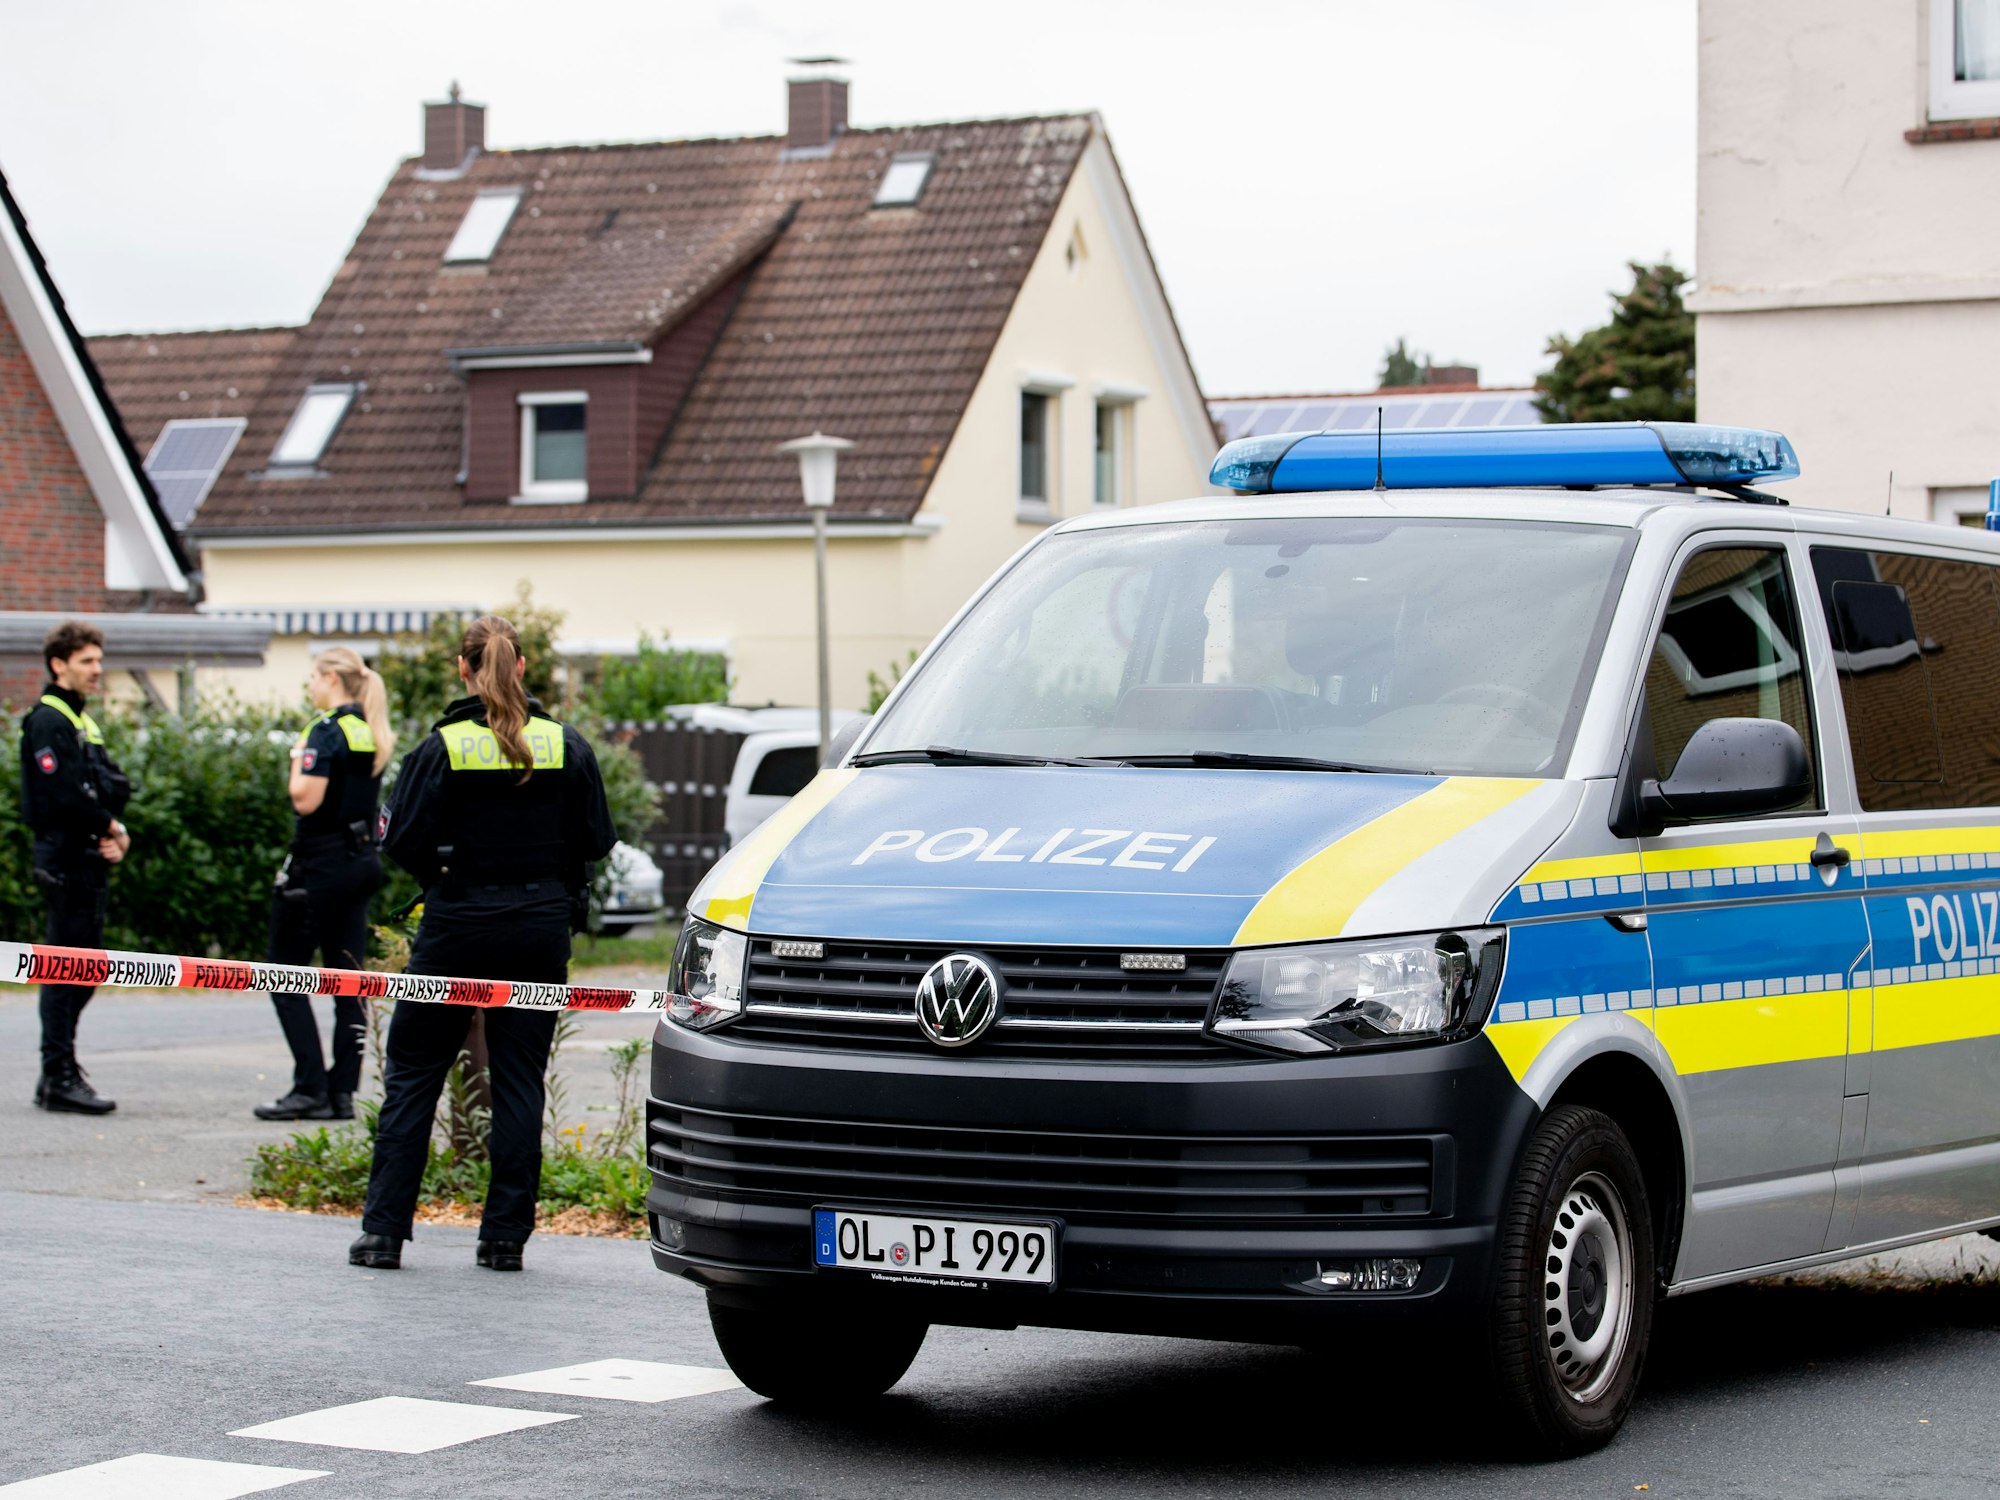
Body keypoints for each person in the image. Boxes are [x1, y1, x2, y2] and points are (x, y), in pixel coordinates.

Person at [349, 615, 616, 1273]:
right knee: (520, 1079)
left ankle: (383, 1234)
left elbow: (401, 838)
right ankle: (503, 1240)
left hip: (458, 925)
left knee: (414, 1076)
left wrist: (450, 874)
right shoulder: (566, 743)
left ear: (463, 670)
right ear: (520, 667)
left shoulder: (442, 748)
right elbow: (598, 840)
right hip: (538, 927)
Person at [253, 648, 395, 1122]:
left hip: (318, 868)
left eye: (313, 676)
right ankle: (341, 1093)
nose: (310, 686)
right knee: (347, 981)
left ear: (332, 678)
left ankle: (309, 1086)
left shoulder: (324, 730)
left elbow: (305, 798)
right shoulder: (368, 731)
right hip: (358, 863)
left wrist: (297, 760)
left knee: (284, 974)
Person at [20, 621, 131, 1115]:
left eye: (98, 661)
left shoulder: (81, 721)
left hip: (87, 855)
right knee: (67, 968)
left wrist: (107, 826)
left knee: (84, 969)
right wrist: (109, 823)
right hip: (64, 858)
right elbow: (62, 795)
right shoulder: (48, 720)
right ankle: (59, 1074)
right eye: (87, 661)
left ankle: (56, 1072)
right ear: (58, 664)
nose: (97, 670)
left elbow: (116, 784)